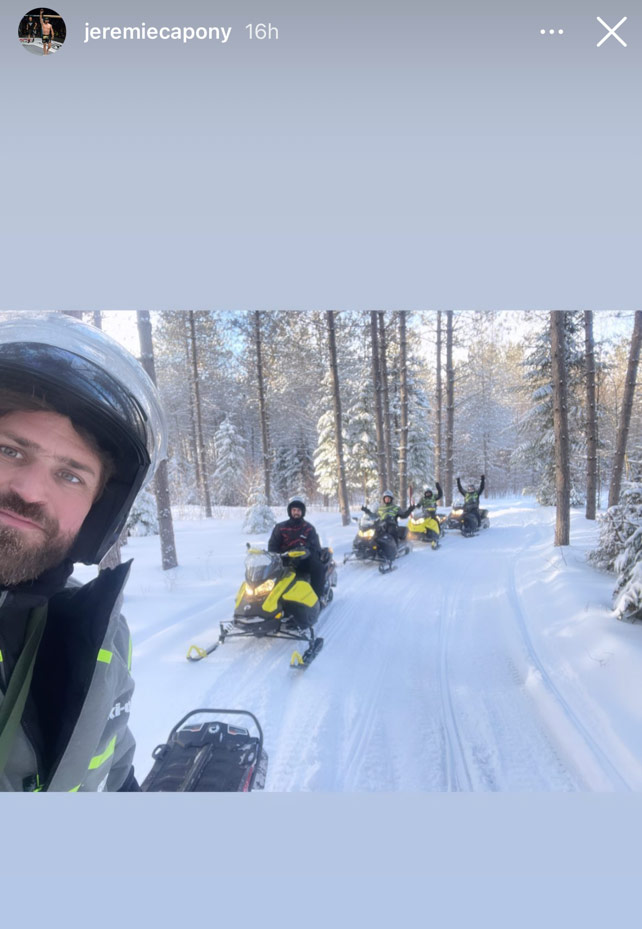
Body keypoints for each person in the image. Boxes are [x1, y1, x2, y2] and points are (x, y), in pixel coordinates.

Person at [0, 314, 166, 792]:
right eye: (10, 450)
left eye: (70, 475)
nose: (30, 491)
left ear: (97, 512)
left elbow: (113, 766)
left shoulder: (99, 630)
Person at [268, 496, 327, 601]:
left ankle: (318, 596)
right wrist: (275, 556)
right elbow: (272, 546)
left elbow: (315, 546)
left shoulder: (308, 528)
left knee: (317, 565)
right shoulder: (280, 527)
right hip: (284, 560)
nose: (296, 512)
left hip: (304, 561)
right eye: (294, 510)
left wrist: (307, 552)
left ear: (302, 512)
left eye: (299, 510)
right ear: (290, 511)